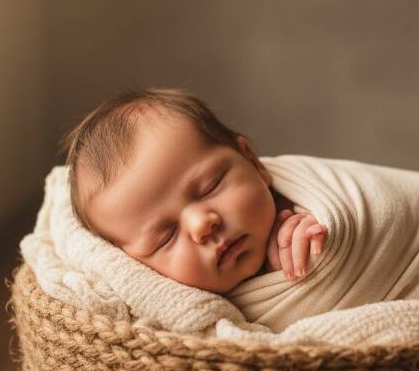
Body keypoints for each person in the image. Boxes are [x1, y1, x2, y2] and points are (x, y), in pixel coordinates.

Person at [64, 88, 326, 295]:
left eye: (210, 187)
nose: (202, 224)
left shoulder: (305, 206)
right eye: (166, 237)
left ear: (252, 161)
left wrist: (321, 243)